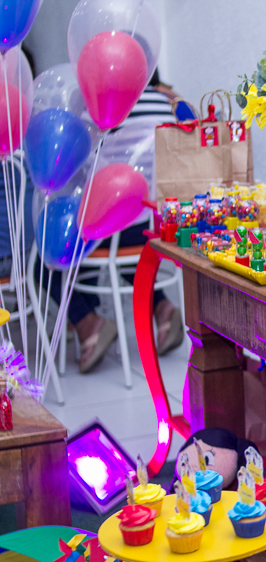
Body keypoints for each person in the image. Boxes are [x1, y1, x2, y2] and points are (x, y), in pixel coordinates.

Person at [45, 70, 188, 373]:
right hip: (156, 225)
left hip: (114, 230)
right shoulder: (166, 103)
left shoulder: (102, 106)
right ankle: (163, 310)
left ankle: (89, 324)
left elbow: (82, 169)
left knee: (49, 257)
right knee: (124, 259)